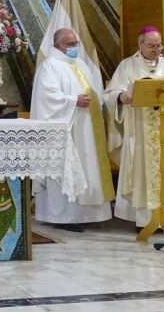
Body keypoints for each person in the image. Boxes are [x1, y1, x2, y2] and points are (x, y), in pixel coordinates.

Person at [106, 26, 164, 231]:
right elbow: (112, 93)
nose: (156, 49)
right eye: (151, 46)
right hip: (140, 130)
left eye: (159, 45)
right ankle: (146, 221)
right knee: (143, 174)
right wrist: (122, 97)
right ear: (140, 45)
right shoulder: (128, 65)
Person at [31, 28, 114, 231]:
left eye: (75, 43)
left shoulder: (80, 65)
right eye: (69, 44)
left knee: (88, 166)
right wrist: (73, 101)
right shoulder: (50, 66)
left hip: (86, 129)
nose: (74, 47)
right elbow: (47, 97)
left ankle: (88, 214)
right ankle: (64, 217)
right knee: (66, 169)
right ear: (57, 45)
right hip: (66, 129)